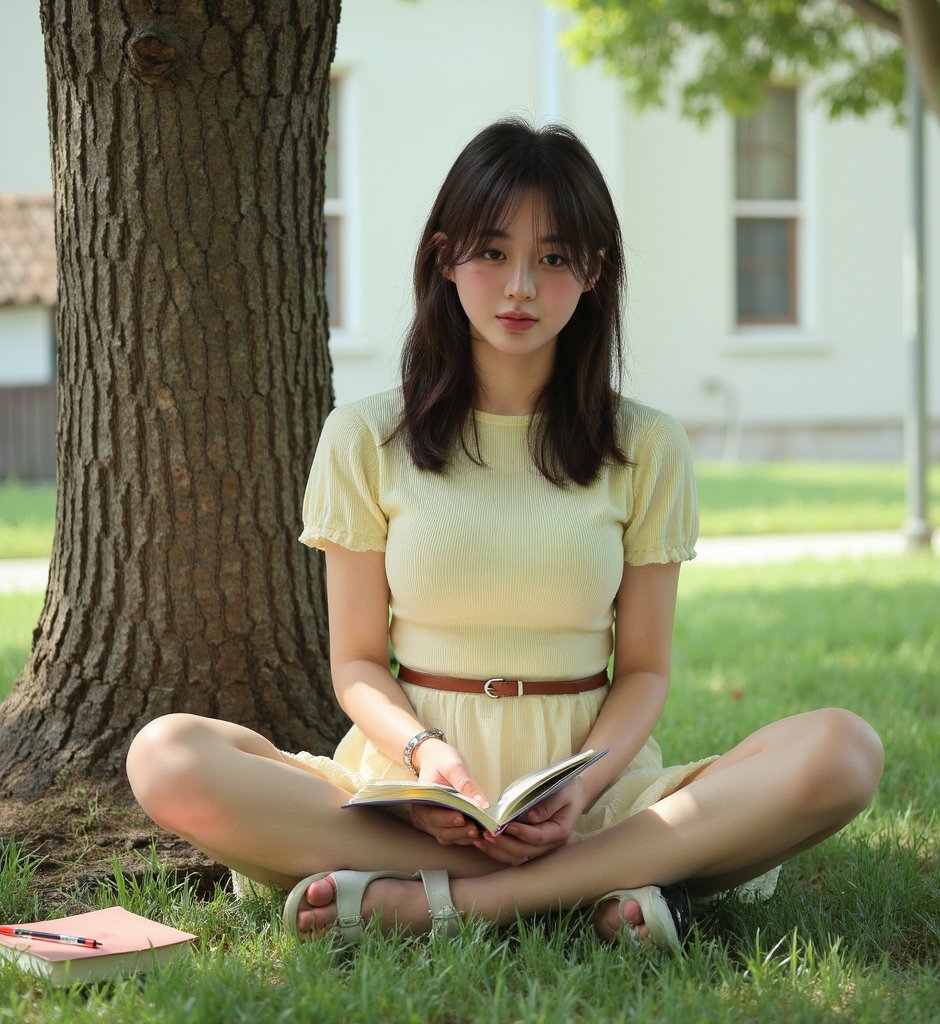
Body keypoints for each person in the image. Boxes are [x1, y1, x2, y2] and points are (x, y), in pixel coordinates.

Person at [126, 118, 884, 947]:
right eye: (492, 252)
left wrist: (584, 788)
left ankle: (444, 905)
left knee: (844, 751)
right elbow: (356, 662)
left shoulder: (647, 447)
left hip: (594, 797)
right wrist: (425, 762)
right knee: (164, 757)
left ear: (593, 272)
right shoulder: (364, 439)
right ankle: (595, 889)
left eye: (554, 257)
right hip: (408, 801)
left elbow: (643, 669)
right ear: (446, 258)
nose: (520, 285)